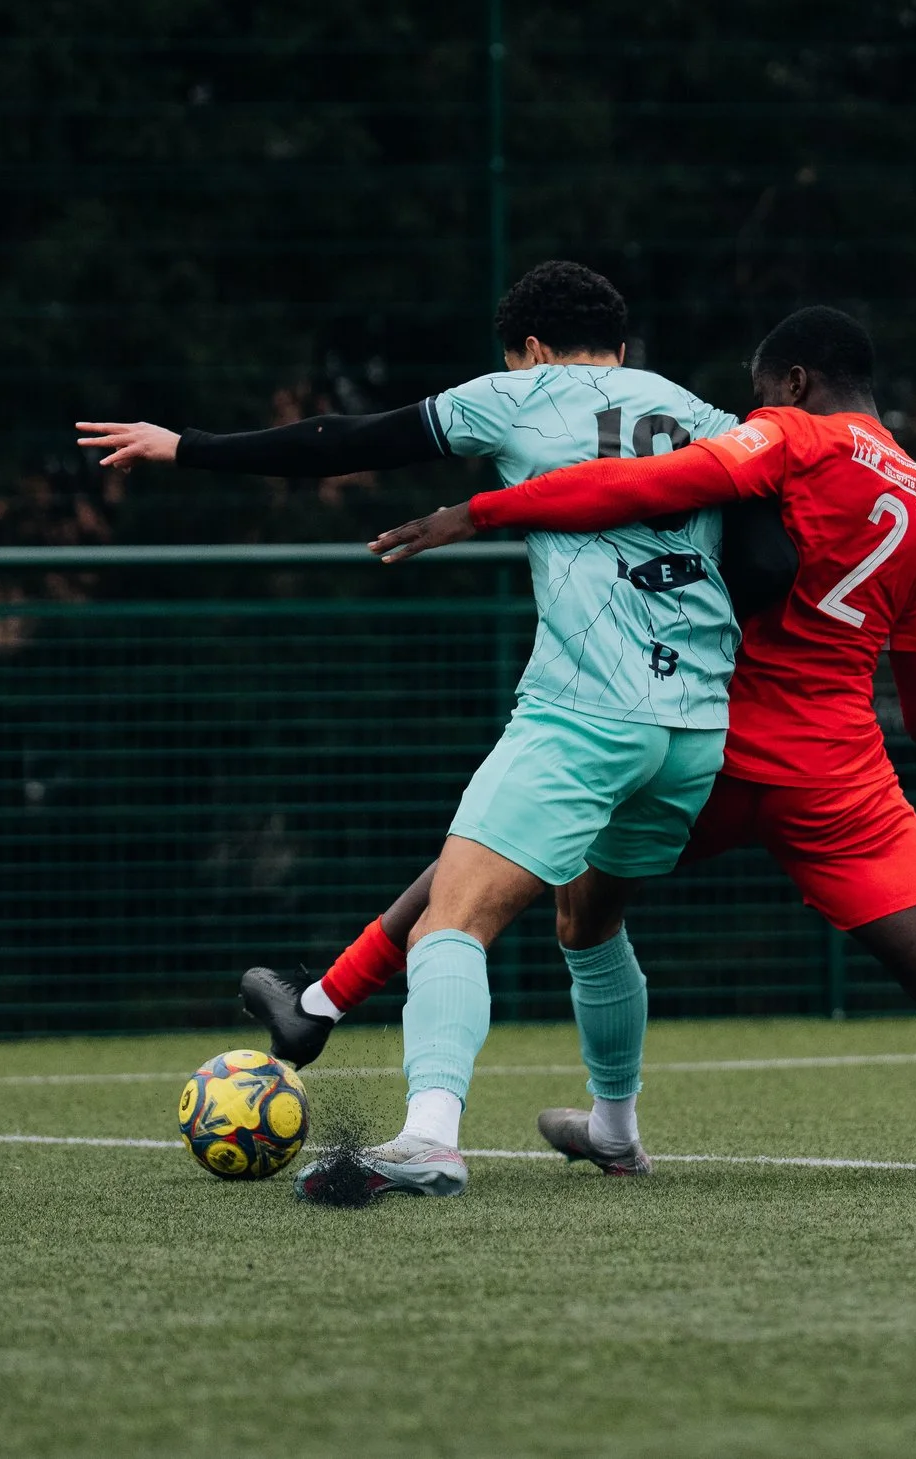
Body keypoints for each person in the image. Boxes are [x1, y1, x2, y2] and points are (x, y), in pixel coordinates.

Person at [367, 306, 916, 1187]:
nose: (758, 411)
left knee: (510, 874)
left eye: (765, 395)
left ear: (794, 383)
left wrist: (483, 513)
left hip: (703, 744)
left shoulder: (790, 439)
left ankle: (362, 1006)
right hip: (840, 782)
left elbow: (639, 487)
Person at [78, 260, 755, 1198]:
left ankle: (430, 1134)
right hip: (694, 722)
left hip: (585, 711)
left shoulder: (520, 392)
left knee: (454, 919)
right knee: (589, 921)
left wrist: (186, 445)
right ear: (623, 345)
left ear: (530, 349)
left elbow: (345, 440)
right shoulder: (708, 415)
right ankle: (615, 1131)